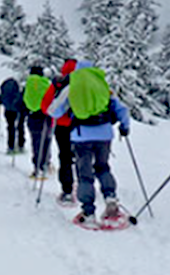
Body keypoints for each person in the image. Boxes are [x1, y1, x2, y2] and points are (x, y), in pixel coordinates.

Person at [49, 61, 130, 224]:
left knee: (84, 174)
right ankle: (111, 199)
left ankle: (88, 212)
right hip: (105, 134)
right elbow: (122, 109)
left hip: (81, 136)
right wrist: (124, 126)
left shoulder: (73, 86)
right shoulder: (102, 86)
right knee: (103, 167)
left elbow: (54, 111)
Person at [41, 59, 78, 205]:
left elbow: (45, 106)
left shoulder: (58, 83)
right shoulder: (83, 83)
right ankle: (85, 187)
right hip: (81, 126)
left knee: (65, 157)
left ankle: (67, 190)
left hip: (61, 126)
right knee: (83, 156)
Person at [23, 65, 52, 178]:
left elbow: (24, 100)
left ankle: (37, 166)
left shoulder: (28, 84)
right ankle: (45, 164)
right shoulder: (46, 83)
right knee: (46, 141)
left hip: (33, 116)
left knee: (35, 141)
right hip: (45, 116)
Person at [0, 77, 26, 154]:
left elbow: (1, 98)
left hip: (8, 109)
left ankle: (10, 146)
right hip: (17, 109)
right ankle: (21, 145)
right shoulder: (17, 88)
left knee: (10, 127)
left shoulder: (5, 87)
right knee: (20, 126)